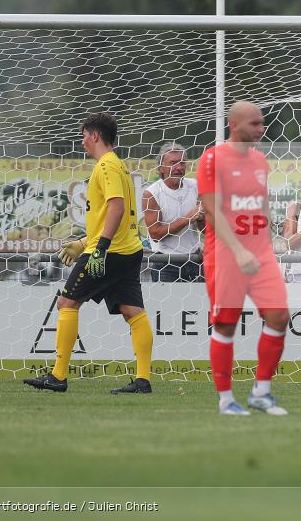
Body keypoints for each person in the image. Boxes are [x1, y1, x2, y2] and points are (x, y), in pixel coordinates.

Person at [24, 113, 153, 394]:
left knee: (67, 303)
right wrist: (83, 242)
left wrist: (98, 249)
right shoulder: (118, 166)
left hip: (109, 252)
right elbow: (113, 213)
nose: (82, 141)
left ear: (95, 135)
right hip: (129, 250)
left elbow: (117, 208)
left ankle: (58, 377)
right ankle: (143, 381)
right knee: (133, 312)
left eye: (83, 135)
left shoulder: (106, 166)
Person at [197, 101, 289, 416]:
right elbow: (212, 211)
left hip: (260, 252)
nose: (261, 129)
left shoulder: (261, 161)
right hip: (225, 252)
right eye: (254, 124)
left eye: (261, 123)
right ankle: (226, 401)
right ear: (234, 124)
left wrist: (268, 243)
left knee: (279, 316)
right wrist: (238, 251)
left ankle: (261, 392)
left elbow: (261, 205)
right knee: (225, 324)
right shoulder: (212, 159)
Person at [142, 142, 205, 282]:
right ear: (161, 168)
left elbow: (205, 229)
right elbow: (156, 234)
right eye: (173, 163)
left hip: (194, 259)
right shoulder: (152, 193)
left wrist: (202, 218)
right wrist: (187, 218)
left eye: (183, 163)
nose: (179, 168)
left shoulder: (195, 187)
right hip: (165, 262)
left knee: (198, 303)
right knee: (166, 304)